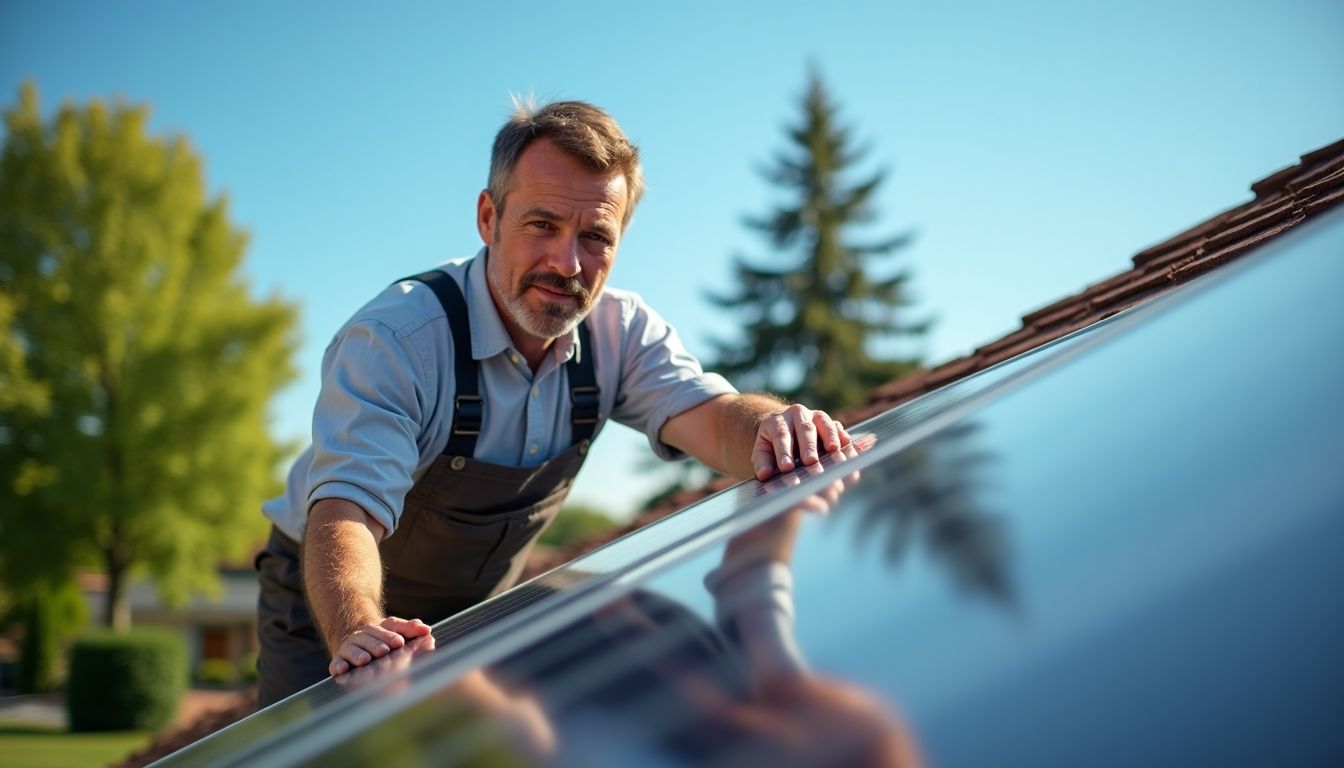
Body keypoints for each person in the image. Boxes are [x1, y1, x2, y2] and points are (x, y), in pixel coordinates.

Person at [255, 99, 852, 707]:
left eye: (595, 237)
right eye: (542, 225)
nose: (567, 264)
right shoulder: (399, 338)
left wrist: (774, 428)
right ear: (489, 218)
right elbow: (345, 511)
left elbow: (716, 419)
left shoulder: (622, 331)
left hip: (475, 616)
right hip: (326, 608)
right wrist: (358, 629)